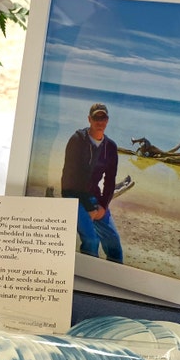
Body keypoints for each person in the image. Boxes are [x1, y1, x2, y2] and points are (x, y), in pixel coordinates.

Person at [61, 103, 123, 263]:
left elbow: (110, 181)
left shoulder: (110, 147)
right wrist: (89, 207)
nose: (100, 121)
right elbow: (70, 179)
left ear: (108, 120)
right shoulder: (77, 141)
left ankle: (115, 279)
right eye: (96, 117)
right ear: (89, 119)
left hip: (95, 199)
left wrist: (103, 206)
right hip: (72, 197)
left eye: (103, 118)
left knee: (114, 241)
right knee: (91, 240)